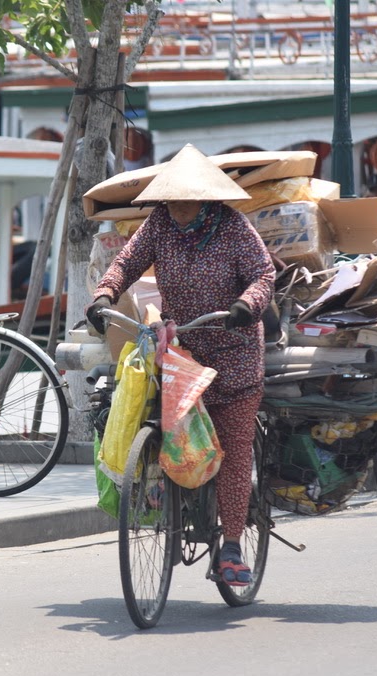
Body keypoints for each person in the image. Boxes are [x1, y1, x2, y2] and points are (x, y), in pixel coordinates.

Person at [85, 144, 275, 587]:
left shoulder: (233, 227)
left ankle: (230, 545)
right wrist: (104, 295)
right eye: (173, 200)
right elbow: (126, 262)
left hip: (235, 356)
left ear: (206, 198)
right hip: (184, 353)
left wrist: (247, 305)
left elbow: (264, 274)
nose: (179, 208)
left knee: (230, 449)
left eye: (187, 200)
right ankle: (174, 510)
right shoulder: (160, 226)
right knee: (168, 432)